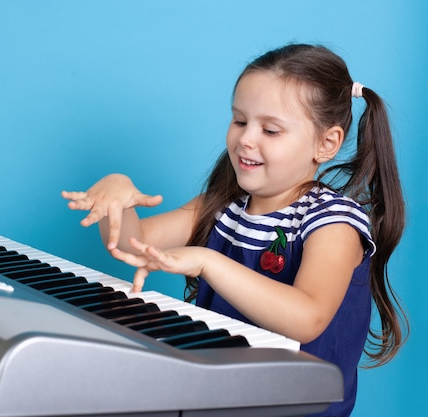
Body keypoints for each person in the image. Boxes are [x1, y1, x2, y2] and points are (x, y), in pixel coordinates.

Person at [61, 43, 408, 417]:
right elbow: (135, 244)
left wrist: (209, 262)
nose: (246, 139)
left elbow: (308, 318)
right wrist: (118, 195)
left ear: (326, 144)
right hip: (217, 397)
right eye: (240, 121)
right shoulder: (223, 205)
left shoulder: (334, 222)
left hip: (291, 408)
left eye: (271, 130)